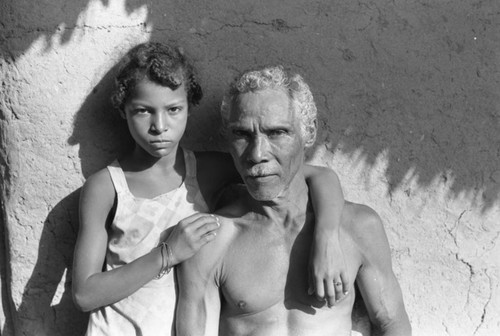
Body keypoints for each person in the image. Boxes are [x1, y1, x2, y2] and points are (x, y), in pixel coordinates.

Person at [72, 43, 348, 336]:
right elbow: (84, 295)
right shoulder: (107, 187)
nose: (159, 125)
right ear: (122, 110)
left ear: (190, 108)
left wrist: (327, 237)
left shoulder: (207, 171)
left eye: (174, 109)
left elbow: (318, 177)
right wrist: (168, 254)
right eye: (142, 111)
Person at [175, 65, 412, 336]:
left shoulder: (357, 228)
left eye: (276, 132)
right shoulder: (211, 240)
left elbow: (391, 324)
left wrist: (326, 235)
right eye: (242, 134)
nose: (257, 153)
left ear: (308, 132)